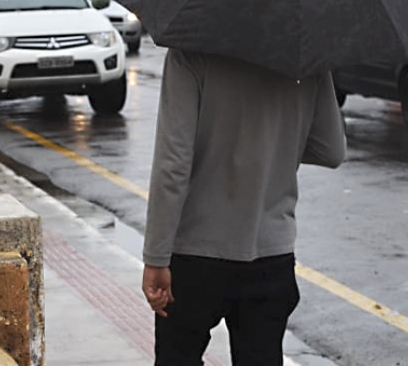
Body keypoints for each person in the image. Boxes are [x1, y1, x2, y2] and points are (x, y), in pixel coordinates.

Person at [142, 50, 346, 365]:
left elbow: (173, 167)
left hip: (196, 254)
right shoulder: (307, 55)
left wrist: (156, 258)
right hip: (271, 255)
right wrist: (273, 144)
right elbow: (330, 149)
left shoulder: (190, 52)